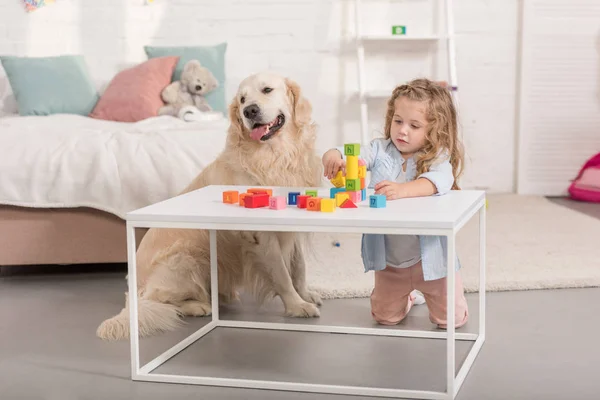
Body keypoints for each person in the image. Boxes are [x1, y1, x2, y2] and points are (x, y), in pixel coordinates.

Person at [321, 78, 468, 329]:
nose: (402, 130)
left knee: (450, 321)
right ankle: (408, 296)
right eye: (398, 121)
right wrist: (334, 155)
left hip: (432, 261)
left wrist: (402, 190)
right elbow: (354, 154)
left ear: (434, 130)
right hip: (390, 260)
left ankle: (436, 297)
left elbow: (437, 181)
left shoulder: (437, 156)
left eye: (414, 125)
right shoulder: (379, 149)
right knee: (385, 318)